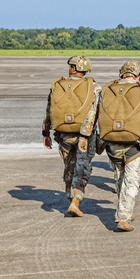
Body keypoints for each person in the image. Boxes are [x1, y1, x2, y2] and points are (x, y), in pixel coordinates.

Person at [80, 59, 140, 232]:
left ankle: (125, 209)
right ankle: (123, 217)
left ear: (122, 74)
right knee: (131, 180)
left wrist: (84, 136)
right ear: (138, 75)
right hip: (135, 144)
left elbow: (92, 114)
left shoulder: (107, 90)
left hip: (111, 144)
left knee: (120, 178)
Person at [42, 55, 99, 217]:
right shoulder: (94, 87)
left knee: (69, 166)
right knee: (83, 166)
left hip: (63, 135)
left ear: (73, 68)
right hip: (85, 136)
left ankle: (70, 196)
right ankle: (76, 200)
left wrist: (45, 133)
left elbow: (49, 111)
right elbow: (99, 112)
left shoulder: (58, 86)